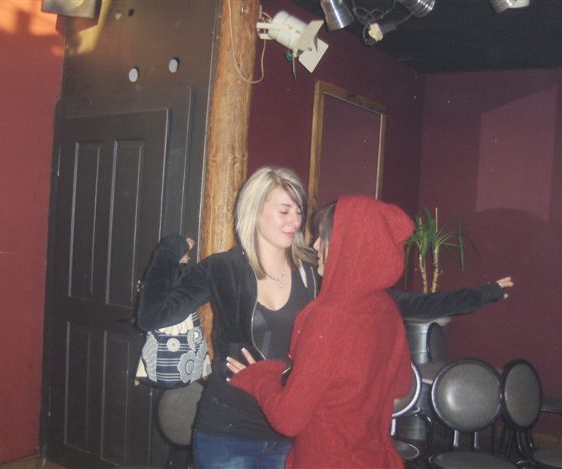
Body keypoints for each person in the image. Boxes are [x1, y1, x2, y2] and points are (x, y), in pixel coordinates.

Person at [136, 166, 513, 469]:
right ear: (254, 210)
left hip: (292, 434)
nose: (295, 220)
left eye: (299, 210)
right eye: (285, 210)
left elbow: (400, 302)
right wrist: (168, 251)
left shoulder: (314, 272)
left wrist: (480, 294)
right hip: (228, 429)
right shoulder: (221, 268)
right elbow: (153, 314)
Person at [227, 196, 415, 468]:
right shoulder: (386, 307)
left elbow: (288, 420)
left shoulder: (331, 317)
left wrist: (260, 377)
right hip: (375, 457)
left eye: (322, 237)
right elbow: (401, 386)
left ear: (349, 245)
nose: (315, 245)